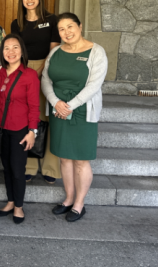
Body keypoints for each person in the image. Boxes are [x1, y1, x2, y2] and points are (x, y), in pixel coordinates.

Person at [41, 13, 108, 222]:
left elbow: (94, 85)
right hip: (59, 110)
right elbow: (45, 79)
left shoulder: (96, 52)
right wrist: (55, 102)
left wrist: (70, 106)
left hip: (82, 110)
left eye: (70, 27)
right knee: (64, 157)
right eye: (62, 29)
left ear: (80, 26)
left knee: (80, 160)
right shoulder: (55, 52)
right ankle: (68, 199)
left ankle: (79, 203)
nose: (67, 32)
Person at [10, 0, 63, 184]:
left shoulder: (51, 20)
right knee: (28, 117)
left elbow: (54, 50)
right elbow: (16, 50)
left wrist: (40, 72)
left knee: (47, 117)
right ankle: (30, 165)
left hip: (47, 69)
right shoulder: (17, 23)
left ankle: (50, 167)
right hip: (23, 69)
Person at [0, 34, 40, 224]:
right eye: (7, 48)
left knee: (18, 170)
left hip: (20, 130)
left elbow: (34, 106)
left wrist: (32, 131)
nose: (11, 52)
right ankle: (10, 202)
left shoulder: (29, 75)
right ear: (2, 52)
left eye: (15, 47)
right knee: (6, 168)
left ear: (22, 50)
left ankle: (19, 206)